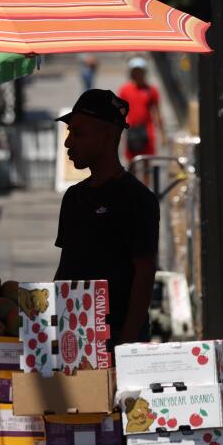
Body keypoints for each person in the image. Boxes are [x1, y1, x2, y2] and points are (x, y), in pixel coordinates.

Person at [55, 89, 159, 346]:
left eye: (78, 133)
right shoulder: (73, 197)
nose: (68, 143)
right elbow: (66, 268)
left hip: (118, 339)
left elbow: (144, 276)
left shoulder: (136, 198)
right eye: (69, 133)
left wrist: (127, 343)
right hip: (75, 338)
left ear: (108, 135)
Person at [116, 56, 164, 163]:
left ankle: (146, 180)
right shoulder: (125, 90)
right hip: (131, 129)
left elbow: (157, 112)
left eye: (140, 71)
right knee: (132, 163)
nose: (138, 74)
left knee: (147, 163)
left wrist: (163, 134)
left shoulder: (151, 90)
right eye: (135, 71)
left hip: (147, 130)